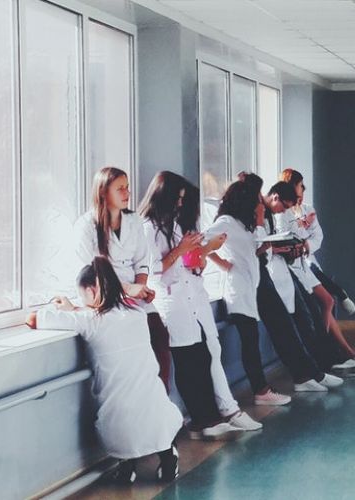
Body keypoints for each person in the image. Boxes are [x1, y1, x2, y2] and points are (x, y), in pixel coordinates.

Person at [135, 171, 264, 439]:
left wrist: (199, 259)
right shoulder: (147, 228)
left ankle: (210, 416)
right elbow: (154, 271)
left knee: (202, 356)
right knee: (187, 361)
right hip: (172, 302)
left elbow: (186, 263)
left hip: (191, 295)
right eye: (177, 199)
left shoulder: (174, 226)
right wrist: (183, 251)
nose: (180, 205)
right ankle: (201, 419)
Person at [28, 257, 180, 483]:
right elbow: (108, 314)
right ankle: (168, 460)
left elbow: (33, 319)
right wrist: (79, 308)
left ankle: (126, 466)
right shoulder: (137, 315)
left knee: (123, 420)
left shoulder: (89, 321)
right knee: (154, 415)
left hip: (117, 427)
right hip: (158, 414)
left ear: (91, 291)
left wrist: (66, 309)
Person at [205, 176, 337, 403]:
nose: (261, 204)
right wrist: (223, 264)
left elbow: (252, 249)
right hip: (242, 287)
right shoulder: (229, 221)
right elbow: (203, 243)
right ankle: (263, 390)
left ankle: (305, 374)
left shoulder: (245, 223)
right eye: (256, 200)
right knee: (255, 338)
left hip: (255, 280)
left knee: (280, 327)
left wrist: (266, 244)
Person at [73, 167, 168, 392]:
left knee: (160, 337)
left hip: (135, 294)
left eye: (127, 188)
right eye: (120, 189)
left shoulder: (133, 220)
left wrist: (141, 288)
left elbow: (142, 259)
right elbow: (90, 275)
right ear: (104, 192)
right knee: (131, 351)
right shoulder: (85, 226)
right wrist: (128, 289)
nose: (127, 193)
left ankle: (160, 401)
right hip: (105, 298)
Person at [278, 169, 355, 369]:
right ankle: (330, 353)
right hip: (296, 266)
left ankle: (344, 353)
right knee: (326, 302)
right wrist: (303, 229)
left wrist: (306, 237)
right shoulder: (283, 212)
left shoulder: (306, 208)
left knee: (327, 302)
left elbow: (317, 236)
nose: (302, 190)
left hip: (307, 261)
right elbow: (291, 237)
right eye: (300, 185)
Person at [265, 181, 355, 374]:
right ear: (275, 197)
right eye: (286, 205)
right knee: (307, 317)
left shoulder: (278, 214)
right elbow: (264, 246)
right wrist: (289, 244)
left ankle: (333, 357)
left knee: (318, 309)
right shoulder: (268, 215)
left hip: (296, 266)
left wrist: (299, 243)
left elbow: (311, 237)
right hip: (285, 271)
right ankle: (322, 362)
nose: (285, 210)